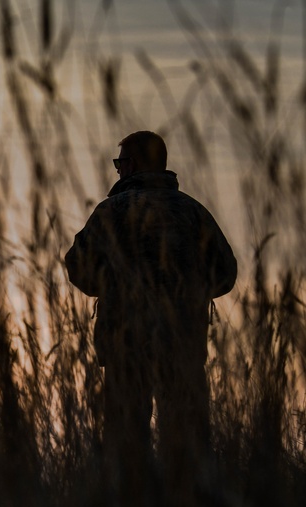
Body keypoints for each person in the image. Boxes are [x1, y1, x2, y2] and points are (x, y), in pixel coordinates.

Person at [64, 131, 237, 477]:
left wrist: (111, 288)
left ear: (136, 164)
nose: (117, 171)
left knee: (126, 444)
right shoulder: (193, 211)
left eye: (121, 162)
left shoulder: (112, 210)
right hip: (184, 345)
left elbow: (77, 266)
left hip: (125, 346)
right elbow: (226, 273)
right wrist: (191, 295)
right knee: (188, 442)